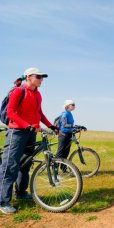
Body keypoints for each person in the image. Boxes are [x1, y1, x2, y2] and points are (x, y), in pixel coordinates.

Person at [0, 67, 59, 214]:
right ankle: (2, 201)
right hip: (17, 132)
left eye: (42, 77)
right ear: (28, 77)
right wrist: (27, 126)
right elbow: (10, 112)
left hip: (31, 132)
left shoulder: (38, 94)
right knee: (10, 165)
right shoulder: (18, 91)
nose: (41, 79)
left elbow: (39, 113)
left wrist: (51, 125)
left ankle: (20, 192)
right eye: (38, 77)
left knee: (25, 164)